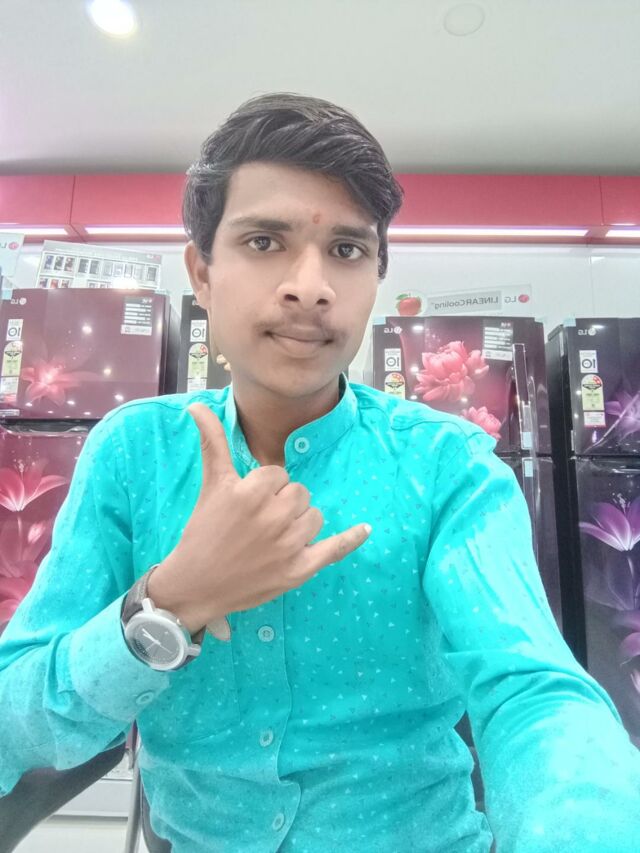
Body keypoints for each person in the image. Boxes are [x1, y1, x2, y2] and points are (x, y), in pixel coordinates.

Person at [1, 93, 639, 853]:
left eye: (346, 249)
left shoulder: (448, 465)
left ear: (375, 277)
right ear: (202, 273)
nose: (310, 286)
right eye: (264, 240)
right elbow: (17, 720)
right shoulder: (133, 453)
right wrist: (169, 604)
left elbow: (529, 686)